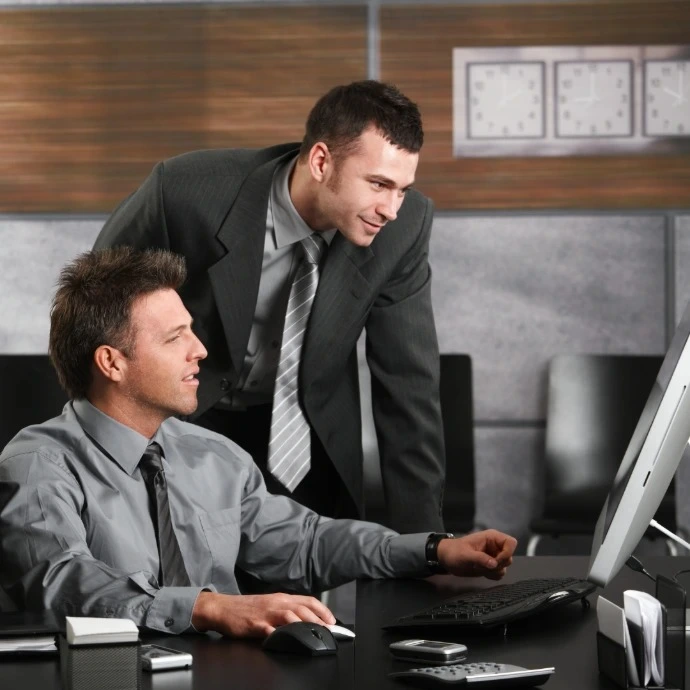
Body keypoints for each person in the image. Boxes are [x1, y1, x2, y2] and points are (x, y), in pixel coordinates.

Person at [0, 248, 516, 637]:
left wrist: (434, 550)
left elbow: (306, 542)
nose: (200, 350)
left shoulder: (213, 455)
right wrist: (212, 607)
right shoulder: (38, 464)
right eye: (174, 338)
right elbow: (60, 581)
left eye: (191, 331)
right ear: (111, 362)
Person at [93, 80, 444, 533]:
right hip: (184, 421)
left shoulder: (404, 228)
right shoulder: (186, 192)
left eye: (402, 189)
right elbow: (93, 311)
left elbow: (409, 383)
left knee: (310, 574)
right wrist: (101, 467)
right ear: (321, 162)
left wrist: (427, 547)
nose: (391, 208)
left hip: (306, 441)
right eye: (379, 184)